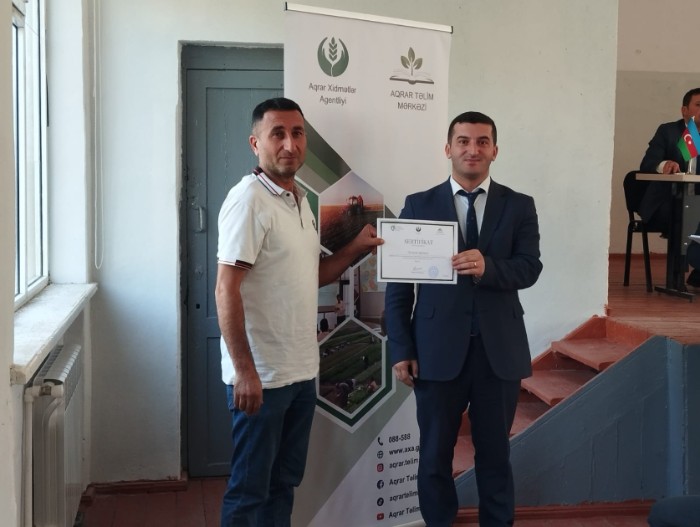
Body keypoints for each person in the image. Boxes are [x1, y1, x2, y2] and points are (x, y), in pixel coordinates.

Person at [215, 97, 382, 527]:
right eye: (278, 134)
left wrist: (355, 247)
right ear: (256, 143)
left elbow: (313, 275)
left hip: (301, 373)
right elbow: (225, 289)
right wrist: (245, 371)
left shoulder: (299, 200)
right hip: (263, 378)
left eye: (297, 133)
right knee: (249, 492)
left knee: (283, 484)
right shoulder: (248, 200)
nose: (290, 144)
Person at [384, 111, 542, 527]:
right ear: (448, 148)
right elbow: (399, 286)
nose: (473, 149)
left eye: (482, 141)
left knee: (495, 455)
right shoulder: (418, 204)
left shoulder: (519, 205)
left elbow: (530, 268)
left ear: (495, 150)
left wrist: (490, 267)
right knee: (434, 456)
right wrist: (400, 348)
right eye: (464, 141)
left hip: (498, 353)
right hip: (435, 353)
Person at [638, 88, 700, 239]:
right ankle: (680, 255)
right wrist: (664, 165)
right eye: (699, 105)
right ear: (684, 110)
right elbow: (648, 163)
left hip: (697, 201)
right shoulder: (668, 131)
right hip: (667, 200)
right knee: (684, 213)